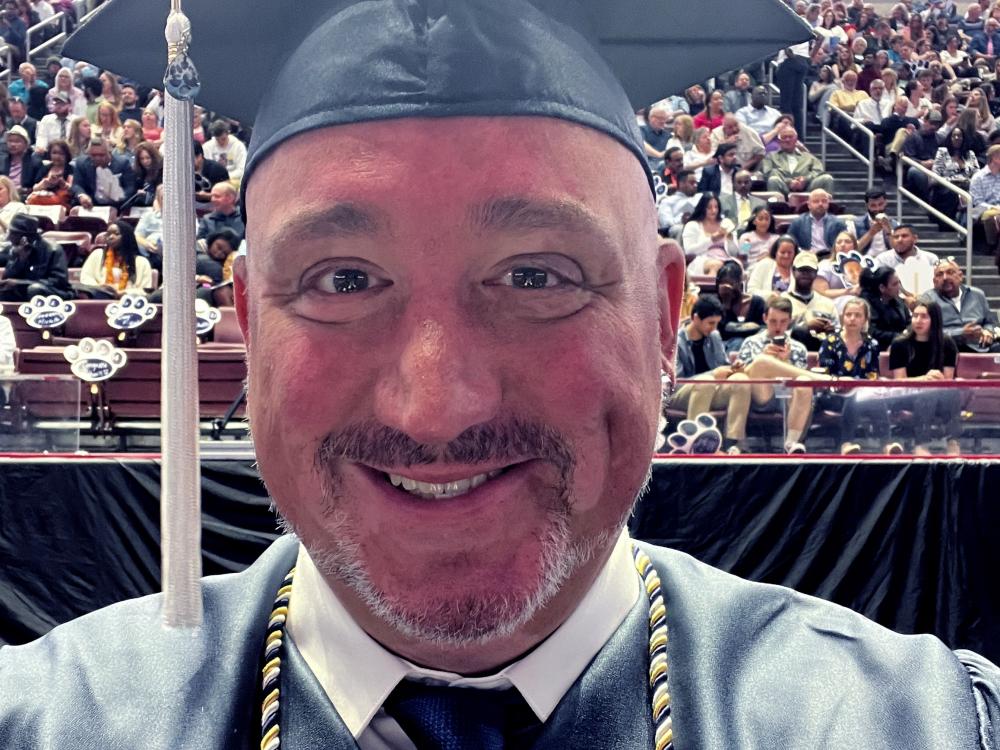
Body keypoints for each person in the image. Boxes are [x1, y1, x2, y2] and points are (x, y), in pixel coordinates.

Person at [4, 1, 997, 747]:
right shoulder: (53, 722)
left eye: (535, 275)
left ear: (662, 315)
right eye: (342, 280)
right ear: (250, 327)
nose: (435, 404)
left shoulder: (906, 725)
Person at [669, 293, 752, 454]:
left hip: (710, 388)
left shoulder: (714, 336)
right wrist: (714, 374)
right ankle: (696, 443)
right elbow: (677, 381)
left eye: (716, 324)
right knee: (706, 382)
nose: (714, 328)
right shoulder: (676, 341)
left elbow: (723, 366)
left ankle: (733, 443)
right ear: (695, 318)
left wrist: (733, 368)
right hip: (679, 393)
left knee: (741, 380)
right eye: (710, 323)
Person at [816, 297, 901, 454]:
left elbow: (872, 375)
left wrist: (861, 387)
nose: (852, 319)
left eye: (857, 315)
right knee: (854, 396)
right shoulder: (830, 342)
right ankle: (846, 443)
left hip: (863, 394)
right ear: (842, 318)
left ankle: (886, 444)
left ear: (865, 320)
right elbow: (824, 375)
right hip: (833, 395)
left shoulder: (872, 344)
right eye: (848, 315)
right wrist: (843, 384)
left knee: (874, 397)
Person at [737, 294, 821, 453]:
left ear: (789, 321)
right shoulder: (751, 342)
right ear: (764, 318)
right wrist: (766, 358)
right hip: (761, 396)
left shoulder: (798, 348)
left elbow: (799, 377)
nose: (778, 327)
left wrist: (785, 362)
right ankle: (821, 378)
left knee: (803, 381)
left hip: (788, 398)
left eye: (783, 322)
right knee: (761, 363)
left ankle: (791, 443)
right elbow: (741, 375)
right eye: (773, 321)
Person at [889, 299, 963, 455]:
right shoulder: (900, 344)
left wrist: (937, 380)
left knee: (954, 391)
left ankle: (953, 441)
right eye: (915, 316)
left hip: (940, 398)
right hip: (907, 397)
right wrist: (923, 379)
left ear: (934, 320)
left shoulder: (947, 344)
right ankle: (921, 444)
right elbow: (899, 382)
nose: (918, 321)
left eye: (924, 317)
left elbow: (948, 381)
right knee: (927, 394)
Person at [921, 256, 1000, 352]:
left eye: (950, 272)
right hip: (946, 348)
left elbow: (990, 322)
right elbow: (926, 332)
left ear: (960, 276)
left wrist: (988, 331)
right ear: (934, 281)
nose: (945, 278)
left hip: (980, 346)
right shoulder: (928, 299)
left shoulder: (977, 294)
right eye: (940, 274)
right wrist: (960, 334)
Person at [0, 213, 70, 301]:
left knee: (35, 289)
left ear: (24, 238)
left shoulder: (52, 249)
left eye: (12, 233)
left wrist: (22, 283)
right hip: (24, 290)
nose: (8, 238)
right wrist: (20, 260)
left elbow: (59, 281)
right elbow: (6, 280)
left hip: (51, 292)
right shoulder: (14, 249)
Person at [77, 219, 152, 299]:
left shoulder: (142, 262)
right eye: (108, 234)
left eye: (116, 234)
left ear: (127, 237)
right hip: (100, 296)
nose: (111, 237)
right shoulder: (97, 255)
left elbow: (145, 290)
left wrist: (124, 292)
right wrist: (101, 287)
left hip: (128, 301)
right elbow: (86, 279)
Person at [782, 250, 839, 351]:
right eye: (801, 270)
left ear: (816, 273)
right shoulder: (782, 302)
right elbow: (774, 332)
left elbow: (839, 332)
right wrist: (805, 327)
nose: (805, 274)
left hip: (822, 351)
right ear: (793, 271)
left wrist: (831, 331)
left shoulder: (827, 304)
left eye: (809, 271)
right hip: (789, 351)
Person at [762, 126, 836, 195]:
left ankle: (826, 207)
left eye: (790, 137)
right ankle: (776, 207)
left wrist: (805, 180)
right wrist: (789, 182)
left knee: (827, 178)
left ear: (796, 139)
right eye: (784, 137)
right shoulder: (771, 156)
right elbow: (767, 173)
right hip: (783, 186)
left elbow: (819, 171)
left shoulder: (808, 156)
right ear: (779, 141)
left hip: (807, 187)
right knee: (773, 180)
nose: (787, 140)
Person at [71, 134, 136, 210]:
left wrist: (119, 196)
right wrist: (81, 195)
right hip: (91, 206)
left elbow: (130, 187)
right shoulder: (81, 163)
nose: (97, 158)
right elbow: (77, 185)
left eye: (101, 155)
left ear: (109, 152)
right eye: (93, 155)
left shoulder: (123, 163)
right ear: (88, 154)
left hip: (116, 208)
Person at [714, 259, 766, 353]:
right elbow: (721, 331)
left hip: (752, 347)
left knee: (739, 342)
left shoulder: (757, 302)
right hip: (722, 347)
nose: (728, 288)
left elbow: (763, 328)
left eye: (731, 283)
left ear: (739, 282)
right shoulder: (715, 303)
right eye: (723, 284)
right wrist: (726, 303)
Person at [874, 223, 939, 295]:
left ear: (915, 239)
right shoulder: (882, 259)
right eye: (896, 237)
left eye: (904, 236)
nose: (899, 240)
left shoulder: (931, 258)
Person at [681, 192, 737, 275]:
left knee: (735, 268)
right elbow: (689, 251)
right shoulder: (692, 225)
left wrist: (730, 239)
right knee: (715, 265)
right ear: (703, 208)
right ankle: (711, 288)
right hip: (702, 260)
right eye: (709, 207)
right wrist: (712, 239)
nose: (713, 210)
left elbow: (735, 252)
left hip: (727, 259)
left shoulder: (726, 223)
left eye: (716, 207)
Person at [860, 266, 913, 350]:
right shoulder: (867, 303)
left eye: (899, 282)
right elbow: (872, 331)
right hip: (878, 347)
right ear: (882, 288)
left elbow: (909, 321)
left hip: (903, 343)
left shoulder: (898, 300)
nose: (899, 287)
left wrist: (909, 333)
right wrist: (899, 336)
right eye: (895, 284)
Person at [786, 188, 848, 256]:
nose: (820, 204)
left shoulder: (838, 223)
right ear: (809, 205)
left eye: (824, 201)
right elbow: (790, 243)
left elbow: (846, 244)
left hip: (830, 257)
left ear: (828, 203)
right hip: (806, 257)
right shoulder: (798, 222)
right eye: (816, 201)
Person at [970, 143, 1000, 271]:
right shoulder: (978, 177)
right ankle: (993, 247)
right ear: (994, 158)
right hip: (982, 209)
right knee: (992, 215)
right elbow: (977, 201)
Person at [26, 138, 72, 209]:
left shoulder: (71, 169)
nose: (57, 156)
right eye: (54, 153)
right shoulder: (45, 168)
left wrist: (63, 184)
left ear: (66, 155)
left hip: (62, 203)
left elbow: (73, 189)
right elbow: (35, 188)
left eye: (61, 153)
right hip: (42, 199)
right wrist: (44, 183)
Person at [656, 169, 701, 237]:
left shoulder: (700, 198)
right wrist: (681, 220)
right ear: (681, 183)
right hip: (679, 231)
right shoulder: (668, 201)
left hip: (700, 228)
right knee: (678, 229)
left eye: (696, 183)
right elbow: (666, 224)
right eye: (692, 183)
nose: (695, 185)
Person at [202, 118, 246, 183]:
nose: (220, 142)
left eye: (223, 139)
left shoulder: (238, 146)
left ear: (228, 133)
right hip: (213, 181)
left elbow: (242, 169)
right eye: (217, 139)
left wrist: (225, 177)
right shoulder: (207, 147)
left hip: (233, 180)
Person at [854, 188, 896, 256]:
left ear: (885, 203)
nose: (877, 209)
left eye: (880, 204)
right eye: (873, 205)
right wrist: (871, 233)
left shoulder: (894, 224)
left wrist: (889, 232)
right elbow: (852, 250)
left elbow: (898, 251)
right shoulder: (855, 224)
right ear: (867, 205)